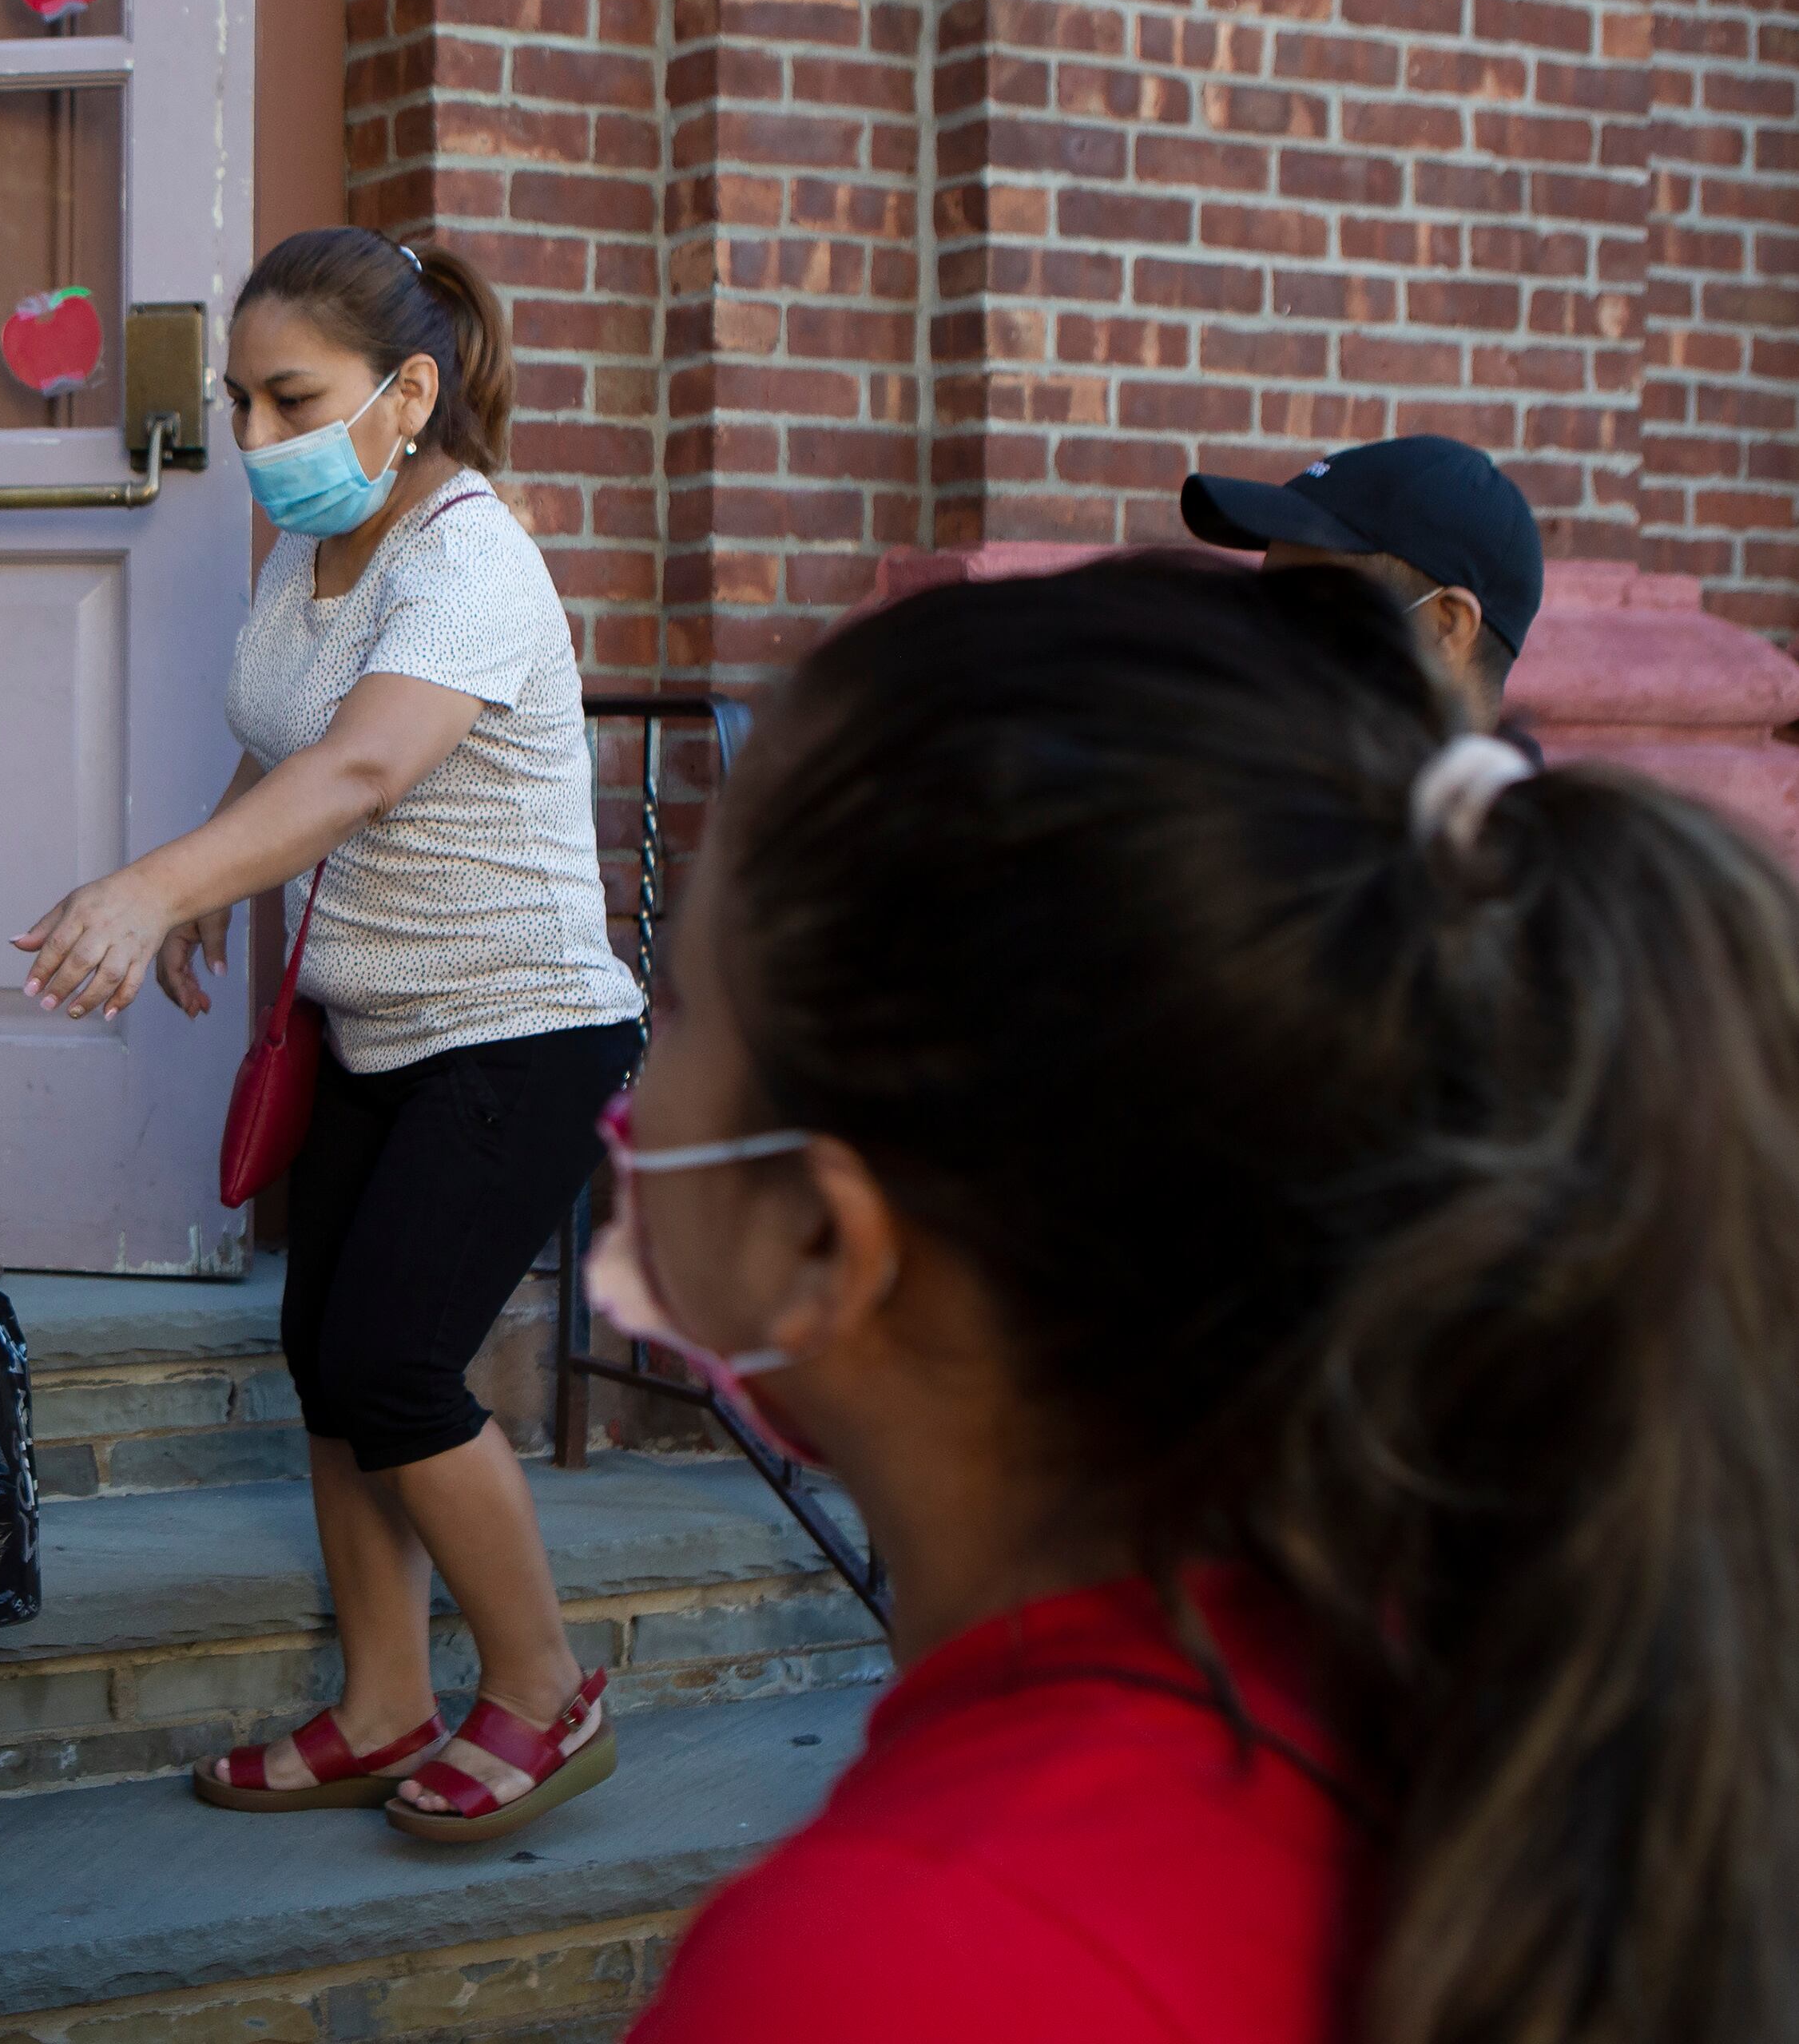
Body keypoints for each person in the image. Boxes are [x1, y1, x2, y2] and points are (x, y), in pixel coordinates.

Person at [602, 556, 1799, 2043]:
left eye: (682, 1005)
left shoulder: (897, 1970)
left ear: (830, 1245)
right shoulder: (1478, 1670)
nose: (640, 1077)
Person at [13, 229, 645, 1840]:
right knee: (324, 1362)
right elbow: (295, 736)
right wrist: (227, 875)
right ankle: (382, 1703)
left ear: (408, 392)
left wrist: (159, 888)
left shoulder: (469, 557)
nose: (258, 436)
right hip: (374, 1021)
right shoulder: (313, 548)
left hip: (520, 1030)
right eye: (241, 401)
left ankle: (543, 1688)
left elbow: (367, 765)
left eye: (293, 397)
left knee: (396, 1358)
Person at [1181, 431, 1543, 733]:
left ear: (1447, 624)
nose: (1265, 635)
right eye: (1261, 601)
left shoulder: (1496, 820)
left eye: (1301, 602)